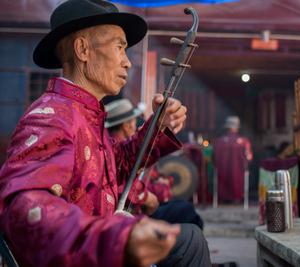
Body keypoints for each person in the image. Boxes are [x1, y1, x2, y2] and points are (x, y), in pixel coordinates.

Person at [0, 1, 211, 267]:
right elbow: (25, 207)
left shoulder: (85, 115)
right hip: (83, 256)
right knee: (189, 241)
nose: (126, 62)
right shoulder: (53, 118)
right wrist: (114, 238)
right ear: (83, 49)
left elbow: (119, 164)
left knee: (189, 238)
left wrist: (158, 127)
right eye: (119, 47)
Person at [105, 98, 204, 229]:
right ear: (126, 125)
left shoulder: (120, 147)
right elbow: (122, 183)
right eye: (134, 121)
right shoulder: (116, 149)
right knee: (185, 211)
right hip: (132, 213)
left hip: (142, 203)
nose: (136, 126)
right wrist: (149, 193)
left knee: (183, 208)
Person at [213, 116, 253, 202]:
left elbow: (214, 158)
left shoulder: (219, 142)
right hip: (239, 172)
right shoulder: (244, 142)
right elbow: (249, 157)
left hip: (222, 172)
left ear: (227, 127)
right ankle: (237, 198)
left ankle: (224, 198)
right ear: (237, 127)